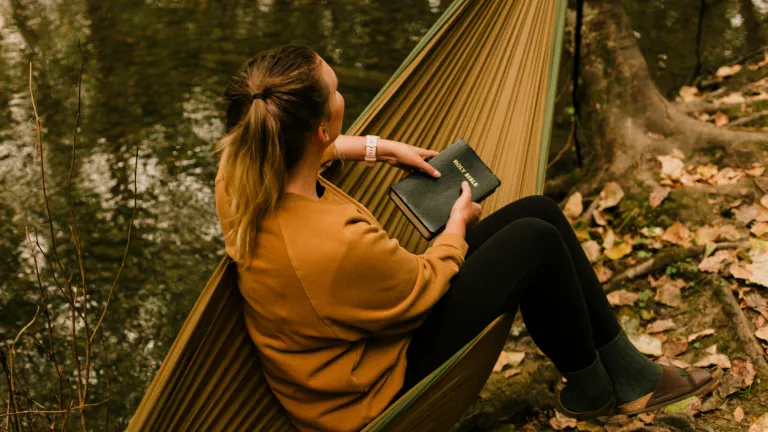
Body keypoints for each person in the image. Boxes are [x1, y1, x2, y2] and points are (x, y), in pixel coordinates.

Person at [213, 45, 721, 432]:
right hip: (367, 390)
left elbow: (311, 147)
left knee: (539, 211)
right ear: (319, 128)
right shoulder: (335, 242)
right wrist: (456, 224)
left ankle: (622, 375)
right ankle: (599, 388)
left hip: (350, 344)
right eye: (338, 92)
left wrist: (380, 148)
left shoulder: (241, 178)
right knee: (533, 243)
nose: (344, 98)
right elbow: (424, 285)